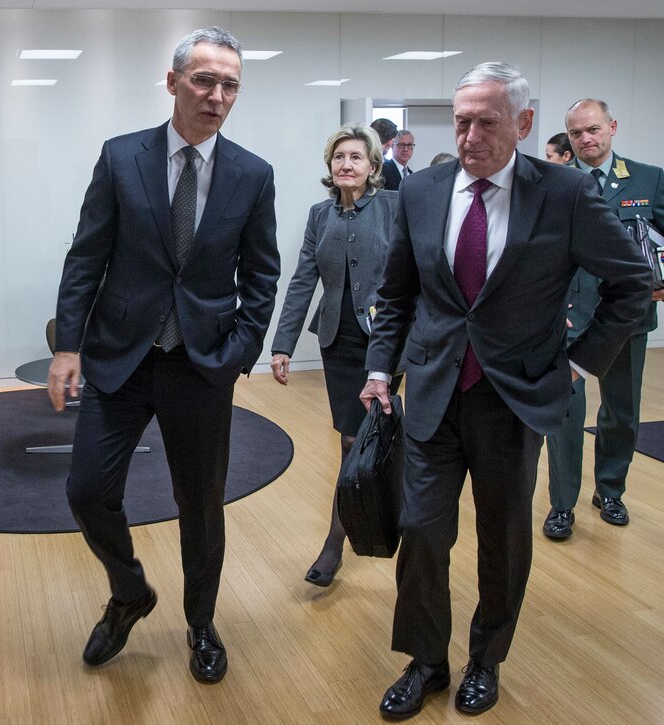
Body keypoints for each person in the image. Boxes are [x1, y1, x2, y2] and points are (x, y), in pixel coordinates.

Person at [360, 63, 650, 718]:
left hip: (514, 398)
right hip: (434, 389)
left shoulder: (566, 194)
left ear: (522, 124)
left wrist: (581, 362)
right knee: (423, 531)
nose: (468, 135)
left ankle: (486, 658)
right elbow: (398, 292)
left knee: (504, 538)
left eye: (485, 122)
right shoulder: (423, 190)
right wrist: (381, 369)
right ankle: (426, 660)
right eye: (461, 120)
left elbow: (632, 282)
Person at [48, 27, 280, 684]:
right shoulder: (122, 158)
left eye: (230, 84)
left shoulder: (252, 174)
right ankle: (129, 593)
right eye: (205, 80)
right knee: (87, 489)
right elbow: (86, 255)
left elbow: (262, 274)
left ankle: (201, 622)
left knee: (201, 503)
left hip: (202, 366)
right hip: (121, 358)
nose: (217, 96)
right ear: (173, 81)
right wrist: (68, 343)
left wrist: (240, 351)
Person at [542, 99, 664, 540]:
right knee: (564, 415)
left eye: (593, 130)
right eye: (576, 134)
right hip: (569, 318)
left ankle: (610, 490)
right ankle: (561, 505)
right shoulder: (553, 181)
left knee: (621, 412)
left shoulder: (647, 178)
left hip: (627, 315)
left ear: (611, 127)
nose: (585, 140)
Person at [268, 124, 398, 588]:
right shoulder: (320, 215)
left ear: (373, 167)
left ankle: (362, 535)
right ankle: (346, 535)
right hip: (338, 342)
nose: (347, 164)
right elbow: (303, 280)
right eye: (339, 157)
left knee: (372, 437)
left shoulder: (393, 208)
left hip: (385, 341)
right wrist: (282, 344)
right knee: (351, 439)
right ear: (330, 166)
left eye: (356, 158)